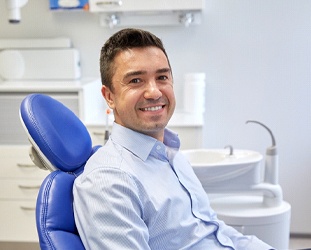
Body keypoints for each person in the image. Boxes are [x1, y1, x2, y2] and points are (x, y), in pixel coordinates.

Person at [73, 28, 274, 250]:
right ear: (109, 96)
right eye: (136, 80)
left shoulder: (169, 153)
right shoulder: (108, 182)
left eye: (162, 77)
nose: (154, 92)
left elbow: (214, 230)